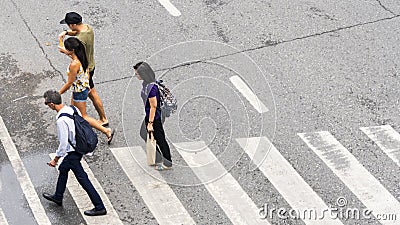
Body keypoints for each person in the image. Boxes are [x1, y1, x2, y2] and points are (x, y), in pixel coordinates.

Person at [42, 90, 107, 216]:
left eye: (47, 104)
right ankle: (58, 196)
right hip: (79, 148)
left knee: (83, 179)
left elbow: (63, 144)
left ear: (51, 104)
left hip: (73, 152)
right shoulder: (72, 109)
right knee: (63, 169)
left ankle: (99, 206)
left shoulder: (61, 120)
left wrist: (55, 159)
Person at [58, 37, 114, 144]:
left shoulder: (74, 64)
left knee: (83, 116)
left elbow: (69, 83)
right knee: (74, 112)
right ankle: (76, 132)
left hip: (79, 91)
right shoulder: (82, 56)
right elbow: (87, 72)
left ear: (72, 50)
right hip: (82, 88)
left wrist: (58, 93)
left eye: (67, 48)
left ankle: (106, 131)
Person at [58, 12, 109, 127]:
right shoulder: (87, 28)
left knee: (92, 93)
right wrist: (66, 33)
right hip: (90, 64)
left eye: (68, 25)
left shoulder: (80, 41)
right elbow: (77, 32)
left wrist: (64, 50)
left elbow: (76, 54)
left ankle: (103, 118)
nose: (68, 27)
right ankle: (75, 115)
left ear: (73, 24)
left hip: (86, 69)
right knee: (87, 92)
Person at [133, 62, 172, 170]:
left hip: (155, 117)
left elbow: (153, 106)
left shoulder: (151, 88)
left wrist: (150, 123)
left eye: (137, 74)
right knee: (144, 133)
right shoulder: (147, 83)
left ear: (143, 74)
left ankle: (167, 163)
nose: (136, 76)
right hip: (151, 114)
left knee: (160, 138)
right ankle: (157, 157)